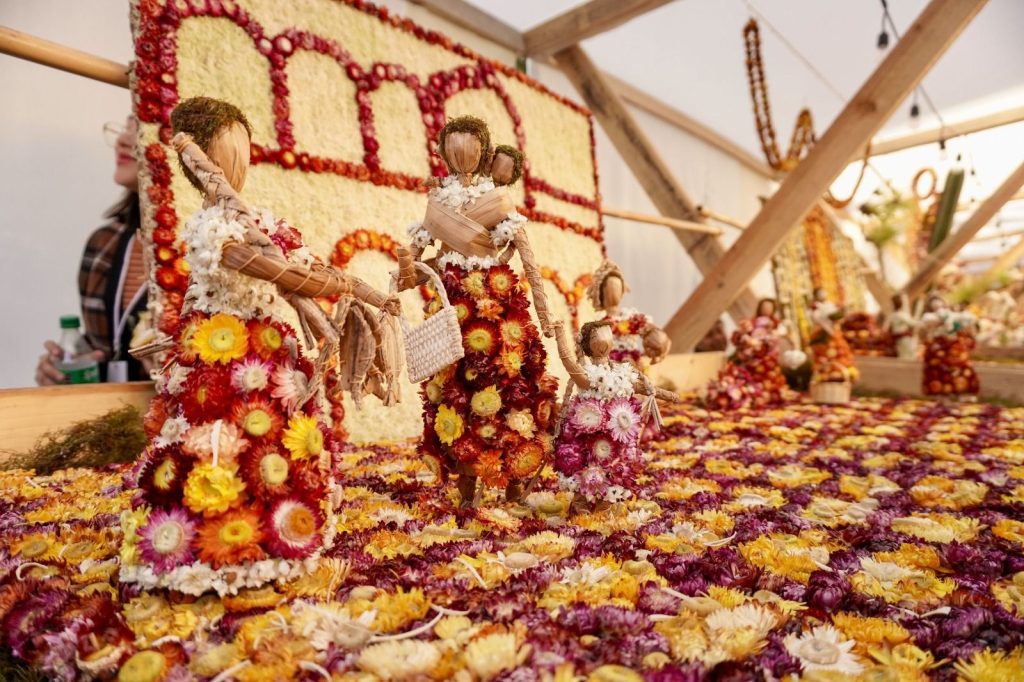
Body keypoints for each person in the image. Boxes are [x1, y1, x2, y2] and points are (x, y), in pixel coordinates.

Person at [397, 116, 558, 506]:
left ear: (484, 151)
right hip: (452, 306)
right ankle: (465, 480)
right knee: (455, 393)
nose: (461, 155)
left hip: (499, 307)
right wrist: (403, 274)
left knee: (512, 387)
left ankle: (517, 474)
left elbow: (527, 257)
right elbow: (414, 261)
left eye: (469, 147)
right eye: (453, 147)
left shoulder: (497, 199)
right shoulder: (438, 202)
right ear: (442, 152)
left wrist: (542, 310)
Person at [35, 116, 149, 385]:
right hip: (110, 410)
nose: (122, 140)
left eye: (140, 130)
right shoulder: (103, 243)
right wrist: (65, 367)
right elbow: (104, 347)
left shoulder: (214, 250)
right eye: (125, 128)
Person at [552, 319, 678, 510]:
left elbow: (639, 386)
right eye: (597, 336)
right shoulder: (586, 374)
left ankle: (606, 502)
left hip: (616, 434)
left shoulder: (621, 371)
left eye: (608, 333)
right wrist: (560, 334)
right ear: (587, 344)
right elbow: (568, 360)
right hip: (587, 432)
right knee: (585, 466)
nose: (605, 338)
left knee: (614, 469)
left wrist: (665, 394)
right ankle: (580, 503)